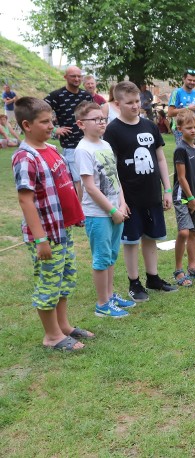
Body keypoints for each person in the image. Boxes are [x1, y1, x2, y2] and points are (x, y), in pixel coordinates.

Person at [12, 96, 92, 351]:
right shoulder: (26, 157)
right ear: (27, 124)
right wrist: (40, 239)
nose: (51, 126)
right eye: (45, 122)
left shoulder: (52, 149)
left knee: (64, 279)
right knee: (48, 282)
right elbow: (26, 201)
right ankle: (52, 336)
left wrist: (75, 215)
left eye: (52, 121)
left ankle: (64, 326)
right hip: (46, 234)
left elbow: (63, 187)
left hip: (62, 229)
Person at [103, 81, 177, 302]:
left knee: (151, 237)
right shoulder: (113, 131)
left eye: (138, 101)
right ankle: (134, 282)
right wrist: (120, 200)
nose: (135, 106)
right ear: (117, 104)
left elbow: (161, 158)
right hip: (130, 197)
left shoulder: (150, 126)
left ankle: (153, 278)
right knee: (132, 240)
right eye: (129, 103)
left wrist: (167, 189)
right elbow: (112, 169)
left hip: (152, 193)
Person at [74, 101, 134, 318]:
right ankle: (102, 304)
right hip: (98, 214)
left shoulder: (105, 145)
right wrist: (112, 211)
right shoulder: (83, 150)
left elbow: (114, 177)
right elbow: (89, 186)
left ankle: (109, 296)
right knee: (101, 259)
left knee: (110, 256)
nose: (101, 123)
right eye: (96, 119)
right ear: (81, 124)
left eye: (103, 119)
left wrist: (122, 202)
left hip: (115, 209)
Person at [172, 110, 195, 287]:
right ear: (180, 129)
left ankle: (192, 268)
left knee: (194, 232)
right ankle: (178, 270)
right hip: (183, 197)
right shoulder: (180, 149)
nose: (193, 130)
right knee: (184, 232)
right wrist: (192, 198)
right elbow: (181, 178)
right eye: (189, 128)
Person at [44, 66, 93, 197]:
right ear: (65, 77)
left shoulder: (86, 96)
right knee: (78, 182)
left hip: (89, 145)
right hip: (71, 147)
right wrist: (54, 129)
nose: (77, 79)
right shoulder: (56, 96)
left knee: (91, 180)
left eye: (79, 76)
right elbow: (38, 111)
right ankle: (80, 213)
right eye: (73, 76)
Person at [168, 70, 195, 144]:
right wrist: (188, 109)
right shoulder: (177, 92)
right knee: (184, 153)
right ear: (184, 79)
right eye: (189, 80)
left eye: (194, 81)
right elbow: (170, 112)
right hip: (181, 130)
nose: (192, 82)